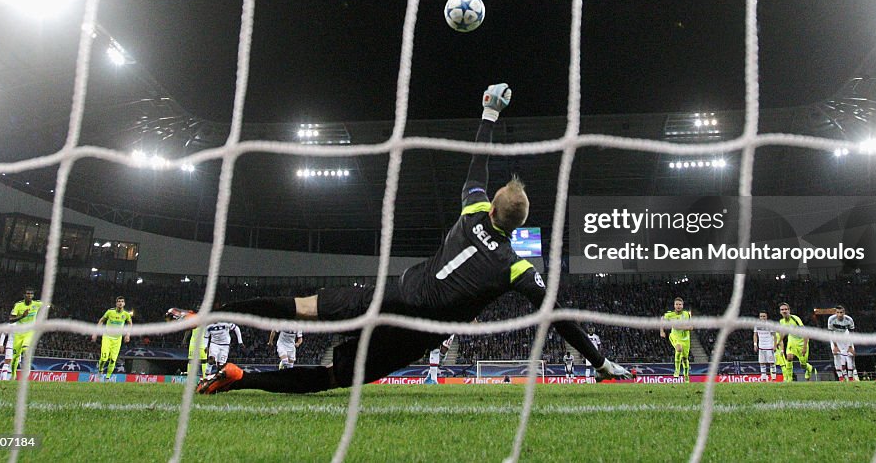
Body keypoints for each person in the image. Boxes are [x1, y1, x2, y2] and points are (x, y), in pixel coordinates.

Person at [199, 84, 633, 395]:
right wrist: (600, 362)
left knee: (305, 308)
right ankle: (243, 379)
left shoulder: (471, 212)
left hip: (396, 292)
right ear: (517, 226)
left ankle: (219, 313)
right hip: (417, 330)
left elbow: (477, 166)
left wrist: (488, 114)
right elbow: (557, 316)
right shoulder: (515, 266)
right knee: (334, 376)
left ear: (491, 205)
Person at [92, 296, 132, 382]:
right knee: (104, 358)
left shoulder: (126, 315)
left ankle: (107, 378)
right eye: (119, 301)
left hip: (117, 340)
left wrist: (128, 335)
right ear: (116, 303)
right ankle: (100, 370)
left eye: (122, 301)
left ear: (124, 304)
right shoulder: (110, 312)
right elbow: (101, 320)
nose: (120, 303)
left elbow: (130, 324)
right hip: (107, 337)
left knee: (113, 360)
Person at [9, 288, 43, 377]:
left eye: (31, 294)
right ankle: (13, 375)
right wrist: (22, 316)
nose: (29, 296)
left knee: (26, 349)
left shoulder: (37, 304)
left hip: (29, 332)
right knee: (15, 357)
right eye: (28, 294)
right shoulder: (18, 305)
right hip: (18, 334)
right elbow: (10, 320)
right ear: (24, 295)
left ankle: (27, 371)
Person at [165, 308, 207, 377]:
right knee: (191, 359)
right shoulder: (188, 317)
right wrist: (184, 339)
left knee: (203, 360)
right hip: (194, 341)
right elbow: (188, 329)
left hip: (202, 340)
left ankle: (205, 376)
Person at [778, 302, 815, 381]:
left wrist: (805, 346)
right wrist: (779, 341)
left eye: (786, 309)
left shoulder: (795, 319)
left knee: (803, 365)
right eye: (782, 310)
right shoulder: (782, 321)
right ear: (780, 312)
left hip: (801, 343)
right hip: (792, 341)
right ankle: (789, 379)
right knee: (789, 357)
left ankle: (809, 368)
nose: (784, 311)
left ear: (789, 310)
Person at [661, 297, 692, 380]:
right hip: (675, 336)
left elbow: (691, 327)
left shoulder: (686, 314)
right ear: (674, 305)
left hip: (686, 339)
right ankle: (677, 370)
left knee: (685, 359)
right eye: (677, 304)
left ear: (682, 305)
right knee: (678, 349)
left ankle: (686, 375)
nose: (678, 306)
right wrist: (662, 331)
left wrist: (683, 327)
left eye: (680, 304)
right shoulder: (669, 315)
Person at [826, 305, 857, 381]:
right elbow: (831, 333)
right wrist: (835, 346)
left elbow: (851, 333)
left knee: (850, 355)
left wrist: (850, 347)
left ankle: (851, 377)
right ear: (835, 313)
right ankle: (841, 377)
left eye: (841, 312)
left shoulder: (849, 319)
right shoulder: (831, 319)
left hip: (846, 335)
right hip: (835, 335)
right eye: (838, 312)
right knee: (836, 355)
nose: (839, 314)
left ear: (844, 313)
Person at [752, 310, 777, 381]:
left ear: (766, 317)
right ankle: (763, 378)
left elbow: (775, 336)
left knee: (771, 363)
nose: (762, 318)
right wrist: (755, 344)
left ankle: (773, 378)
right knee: (762, 362)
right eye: (761, 316)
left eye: (764, 316)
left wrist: (775, 345)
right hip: (761, 347)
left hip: (769, 346)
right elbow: (755, 335)